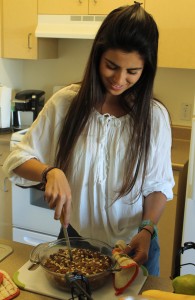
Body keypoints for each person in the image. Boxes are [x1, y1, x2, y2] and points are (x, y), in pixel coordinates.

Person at [3, 2, 174, 276]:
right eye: (111, 66)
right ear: (97, 57)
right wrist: (50, 172)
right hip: (76, 241)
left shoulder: (154, 117)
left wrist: (147, 229)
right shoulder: (66, 104)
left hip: (135, 243)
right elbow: (15, 161)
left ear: (146, 70)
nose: (119, 79)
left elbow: (158, 186)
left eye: (133, 72)